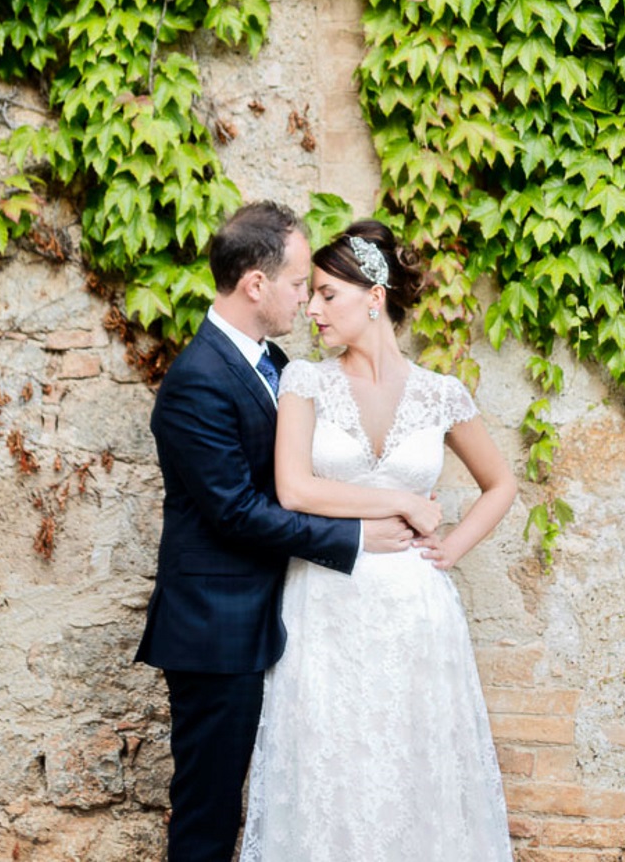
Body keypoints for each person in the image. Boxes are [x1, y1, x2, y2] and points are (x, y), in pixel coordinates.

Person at [136, 203, 424, 862]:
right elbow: (235, 510)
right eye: (299, 284)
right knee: (210, 814)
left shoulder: (276, 362)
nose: (307, 298)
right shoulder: (195, 381)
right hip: (217, 632)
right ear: (255, 285)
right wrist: (354, 540)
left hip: (287, 619)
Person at [240, 218, 518, 862]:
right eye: (308, 294)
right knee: (329, 769)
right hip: (326, 606)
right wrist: (398, 501)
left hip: (414, 613)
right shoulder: (305, 383)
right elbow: (296, 490)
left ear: (375, 296)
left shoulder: (441, 394)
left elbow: (500, 484)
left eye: (327, 295)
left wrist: (451, 548)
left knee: (414, 767)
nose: (312, 309)